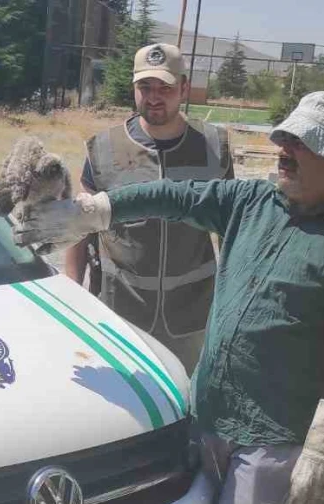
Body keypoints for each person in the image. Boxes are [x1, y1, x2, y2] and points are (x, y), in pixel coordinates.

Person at [12, 91, 324, 504]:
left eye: (300, 143)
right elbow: (175, 196)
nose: (282, 148)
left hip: (273, 434)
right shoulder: (248, 203)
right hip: (208, 415)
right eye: (283, 137)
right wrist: (94, 212)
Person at [64, 42, 233, 374]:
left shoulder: (214, 146)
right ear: (134, 89)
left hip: (192, 315)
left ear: (184, 88)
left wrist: (233, 298)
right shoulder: (103, 147)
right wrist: (72, 291)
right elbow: (80, 225)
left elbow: (231, 227)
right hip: (119, 311)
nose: (154, 96)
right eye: (145, 86)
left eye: (165, 87)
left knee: (185, 403)